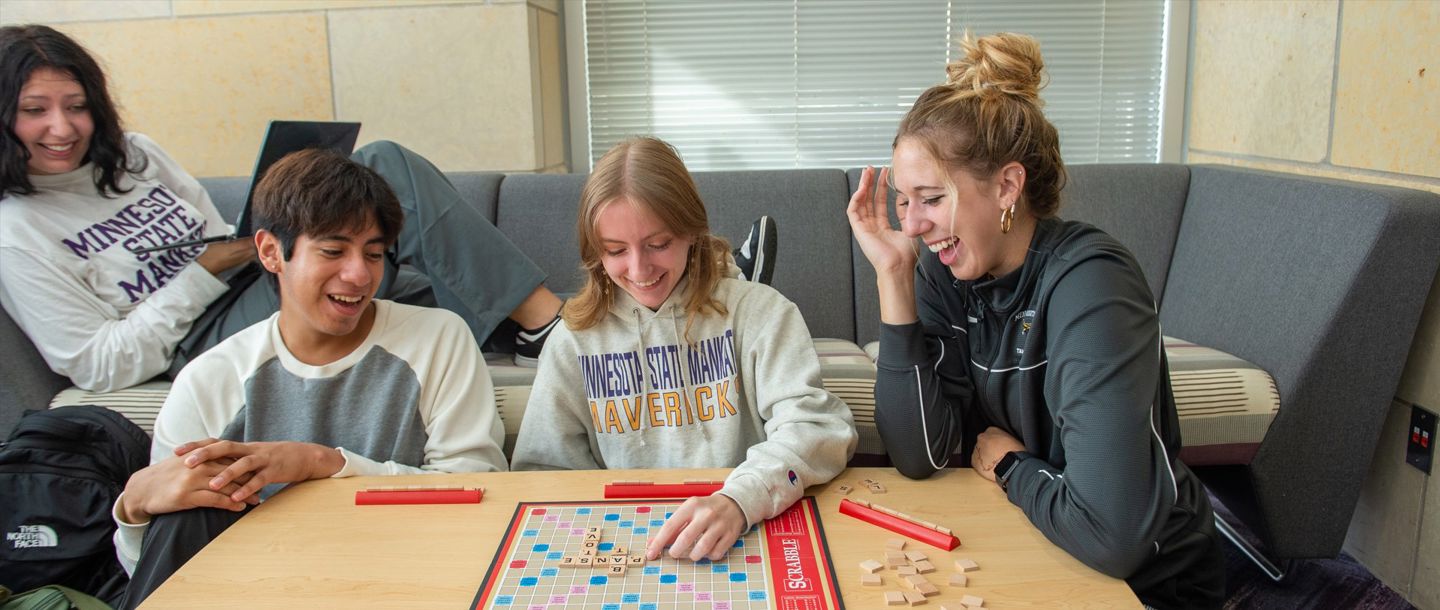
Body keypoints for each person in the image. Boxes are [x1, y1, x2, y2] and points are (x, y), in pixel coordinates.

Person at [847, 32, 1224, 608]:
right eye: (904, 199)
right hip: (1027, 533)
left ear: (1006, 186)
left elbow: (1113, 534)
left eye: (931, 197)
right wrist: (894, 278)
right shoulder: (947, 270)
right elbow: (921, 455)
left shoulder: (1094, 286)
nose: (913, 225)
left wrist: (1010, 465)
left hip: (1143, 579)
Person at [0, 24, 566, 398]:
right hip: (196, 337)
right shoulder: (17, 231)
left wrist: (250, 240)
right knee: (387, 172)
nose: (62, 127)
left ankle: (534, 329)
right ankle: (549, 331)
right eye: (35, 110)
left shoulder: (136, 155)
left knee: (412, 261)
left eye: (76, 106)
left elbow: (215, 233)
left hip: (246, 277)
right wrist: (206, 272)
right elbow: (98, 364)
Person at [111, 148, 509, 607]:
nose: (359, 274)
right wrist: (134, 510)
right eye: (333, 251)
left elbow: (478, 488)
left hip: (405, 580)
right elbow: (156, 569)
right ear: (270, 251)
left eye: (374, 254)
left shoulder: (437, 338)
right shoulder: (211, 379)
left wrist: (324, 464)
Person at [511, 136, 856, 563]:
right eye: (616, 251)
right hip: (626, 543)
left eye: (658, 244)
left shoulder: (761, 312)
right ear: (594, 252)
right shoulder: (571, 340)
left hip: (747, 524)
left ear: (693, 231)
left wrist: (740, 499)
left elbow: (819, 429)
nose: (639, 270)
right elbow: (541, 472)